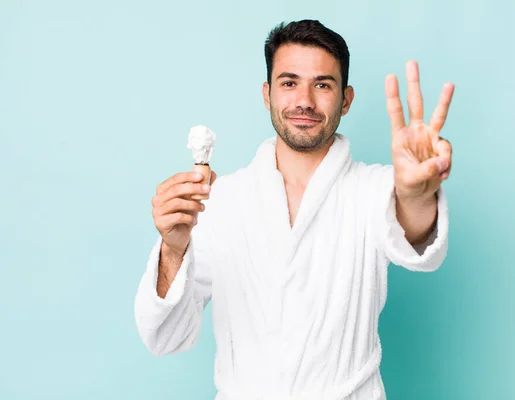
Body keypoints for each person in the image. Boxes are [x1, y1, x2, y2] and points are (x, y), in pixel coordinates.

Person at [134, 19, 454, 400]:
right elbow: (165, 336)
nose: (304, 100)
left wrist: (416, 194)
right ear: (267, 95)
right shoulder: (220, 200)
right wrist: (173, 249)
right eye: (289, 83)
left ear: (346, 99)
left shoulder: (374, 189)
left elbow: (415, 236)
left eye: (322, 84)